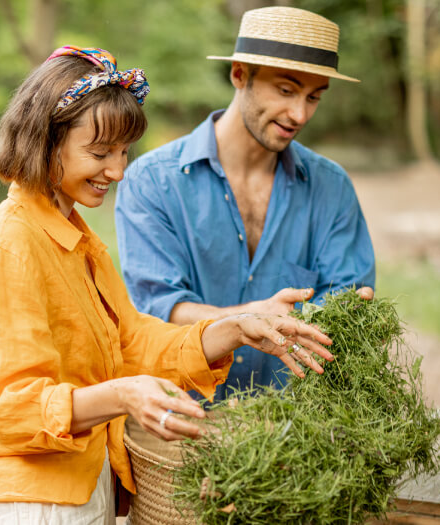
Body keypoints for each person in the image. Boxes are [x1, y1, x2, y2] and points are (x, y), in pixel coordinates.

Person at [0, 46, 336, 524]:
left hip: (90, 489)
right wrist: (122, 396)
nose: (118, 171)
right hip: (31, 507)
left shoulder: (78, 241)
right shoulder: (7, 246)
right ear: (45, 140)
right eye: (100, 153)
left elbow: (133, 342)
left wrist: (236, 327)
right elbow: (12, 408)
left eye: (124, 152)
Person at [115, 7, 376, 401]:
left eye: (314, 96)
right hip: (183, 423)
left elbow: (346, 302)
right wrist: (249, 319)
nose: (299, 114)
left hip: (299, 433)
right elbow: (159, 309)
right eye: (286, 90)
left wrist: (351, 312)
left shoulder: (332, 188)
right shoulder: (152, 181)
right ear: (239, 74)